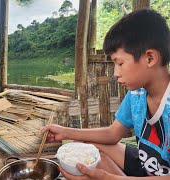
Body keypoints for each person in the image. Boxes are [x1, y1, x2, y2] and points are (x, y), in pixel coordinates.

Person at [42, 9, 170, 179]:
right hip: (146, 162)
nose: (115, 73)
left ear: (150, 58)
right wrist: (65, 132)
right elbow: (112, 134)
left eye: (120, 63)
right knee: (84, 146)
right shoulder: (137, 95)